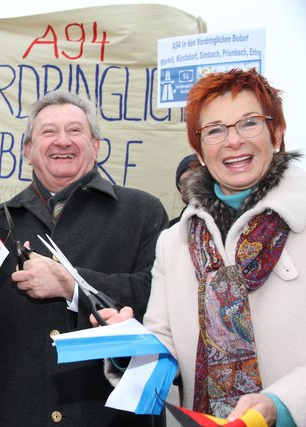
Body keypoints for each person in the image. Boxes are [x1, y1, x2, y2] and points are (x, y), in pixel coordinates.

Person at [95, 69, 306, 426]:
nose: (233, 141)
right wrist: (128, 348)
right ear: (199, 149)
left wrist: (281, 405)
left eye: (249, 123)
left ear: (277, 132)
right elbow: (166, 343)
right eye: (215, 130)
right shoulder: (175, 243)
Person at [0, 90, 169, 426]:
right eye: (48, 132)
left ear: (95, 146)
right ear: (27, 150)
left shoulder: (142, 211)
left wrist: (72, 285)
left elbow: (156, 298)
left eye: (75, 131)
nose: (62, 141)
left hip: (107, 413)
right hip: (17, 413)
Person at [169, 153, 199, 226]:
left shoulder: (229, 224)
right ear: (180, 189)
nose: (191, 186)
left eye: (197, 179)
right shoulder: (171, 229)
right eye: (185, 182)